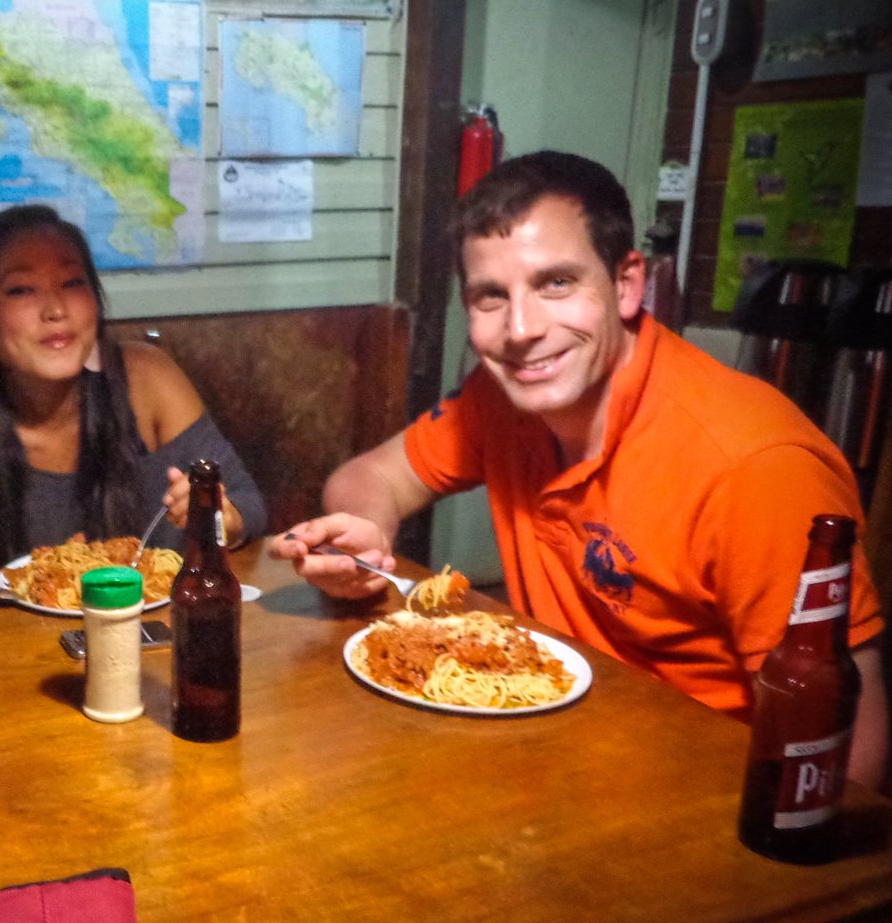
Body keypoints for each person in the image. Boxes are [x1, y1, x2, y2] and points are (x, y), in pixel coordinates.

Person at [274, 151, 888, 789]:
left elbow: (854, 759)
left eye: (557, 283)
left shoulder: (756, 468)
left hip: (698, 797)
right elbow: (369, 478)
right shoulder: (499, 398)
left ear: (626, 285)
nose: (521, 329)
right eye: (491, 296)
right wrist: (366, 540)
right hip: (550, 758)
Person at [0, 205, 268, 572]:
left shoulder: (147, 380)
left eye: (72, 282)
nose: (55, 310)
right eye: (21, 289)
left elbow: (247, 506)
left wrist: (220, 519)